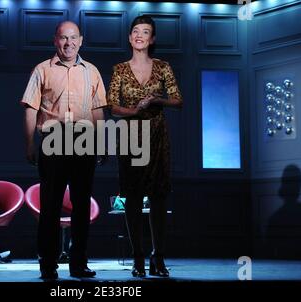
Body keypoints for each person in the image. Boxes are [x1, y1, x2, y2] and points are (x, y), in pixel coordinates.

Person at [21, 21, 106, 279]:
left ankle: (78, 263)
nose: (68, 43)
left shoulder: (92, 71)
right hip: (53, 140)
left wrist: (101, 143)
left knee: (81, 207)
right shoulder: (42, 70)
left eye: (73, 38)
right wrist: (29, 144)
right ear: (54, 40)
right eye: (63, 38)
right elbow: (30, 109)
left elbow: (98, 110)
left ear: (81, 40)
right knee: (50, 206)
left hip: (83, 141)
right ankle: (48, 265)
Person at [107, 15, 183, 277]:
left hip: (157, 136)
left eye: (146, 31)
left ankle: (158, 257)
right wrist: (133, 110)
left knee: (159, 197)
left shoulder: (163, 67)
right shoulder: (119, 69)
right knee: (133, 199)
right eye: (136, 31)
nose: (140, 35)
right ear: (130, 38)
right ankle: (138, 257)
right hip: (129, 137)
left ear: (152, 39)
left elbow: (178, 100)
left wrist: (157, 100)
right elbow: (111, 106)